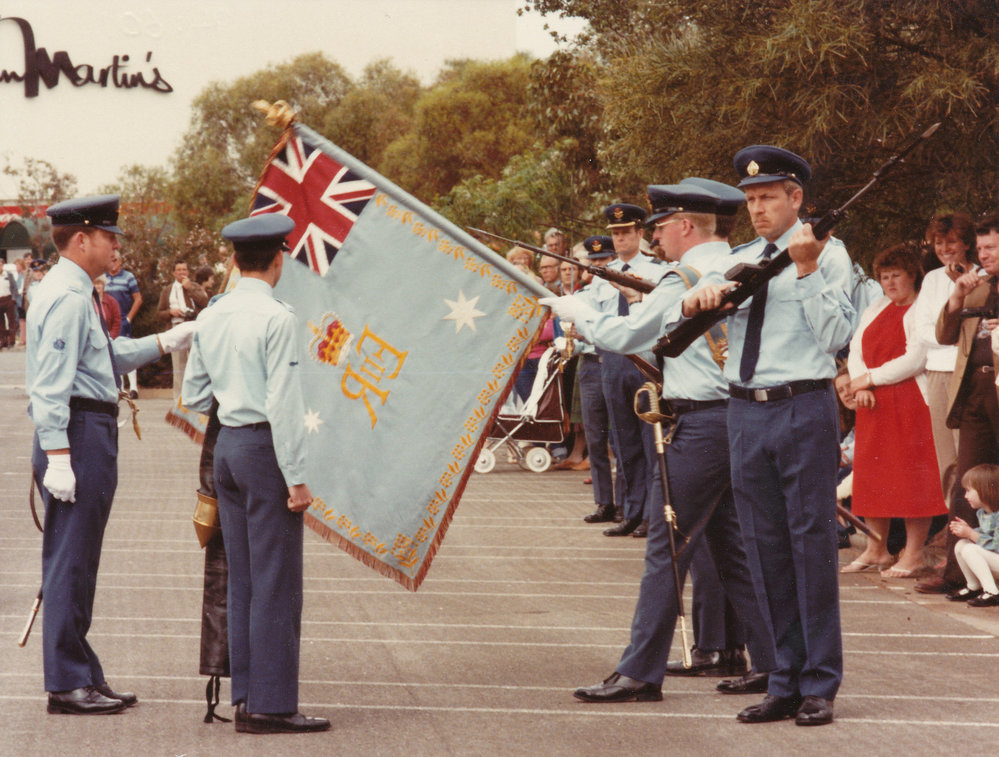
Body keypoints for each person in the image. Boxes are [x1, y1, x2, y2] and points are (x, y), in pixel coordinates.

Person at [542, 182, 775, 706]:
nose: (655, 237)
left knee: (665, 549)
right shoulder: (731, 266)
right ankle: (772, 661)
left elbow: (628, 336)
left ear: (686, 226)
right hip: (728, 419)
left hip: (701, 424)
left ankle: (639, 671)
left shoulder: (683, 277)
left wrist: (571, 308)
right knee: (729, 547)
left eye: (660, 227)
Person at [682, 146, 854, 726]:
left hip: (802, 406)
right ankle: (782, 677)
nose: (757, 209)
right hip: (744, 411)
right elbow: (689, 301)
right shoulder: (740, 258)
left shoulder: (827, 254)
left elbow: (835, 336)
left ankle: (818, 682)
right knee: (763, 546)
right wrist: (695, 295)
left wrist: (804, 270)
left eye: (768, 198)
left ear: (796, 198)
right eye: (750, 200)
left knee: (810, 545)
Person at [27, 194, 196, 715]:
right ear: (82, 239)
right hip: (76, 433)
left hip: (86, 428)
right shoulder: (71, 297)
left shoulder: (76, 290)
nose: (115, 246)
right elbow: (50, 388)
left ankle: (80, 673)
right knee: (70, 562)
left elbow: (105, 358)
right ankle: (66, 682)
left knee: (79, 561)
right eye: (108, 237)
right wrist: (58, 455)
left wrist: (168, 341)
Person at [181, 214, 329, 734]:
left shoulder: (215, 312)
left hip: (227, 448)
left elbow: (194, 394)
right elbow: (283, 403)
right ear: (278, 258)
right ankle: (269, 704)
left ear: (235, 260)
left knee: (242, 578)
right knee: (276, 582)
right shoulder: (278, 317)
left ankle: (246, 694)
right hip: (265, 450)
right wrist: (297, 476)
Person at [842, 244, 946, 576]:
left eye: (896, 275)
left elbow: (915, 359)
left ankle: (914, 553)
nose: (889, 283)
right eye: (884, 277)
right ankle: (876, 549)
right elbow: (856, 348)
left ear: (912, 275)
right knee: (874, 477)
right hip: (873, 402)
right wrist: (863, 384)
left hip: (911, 400)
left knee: (913, 477)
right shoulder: (874, 307)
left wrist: (868, 379)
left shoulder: (921, 308)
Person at [917, 213, 999, 595]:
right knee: (966, 481)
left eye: (991, 248)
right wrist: (956, 297)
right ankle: (957, 572)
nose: (984, 255)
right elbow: (944, 335)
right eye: (981, 248)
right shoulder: (977, 286)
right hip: (975, 391)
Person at [576, 203, 666, 537]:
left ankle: (652, 516)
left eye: (626, 232)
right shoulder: (601, 276)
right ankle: (631, 510)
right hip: (612, 360)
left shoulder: (657, 270)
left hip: (644, 361)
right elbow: (591, 319)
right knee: (624, 441)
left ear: (639, 233)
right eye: (615, 233)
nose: (620, 238)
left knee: (649, 441)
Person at [910, 213, 976, 488]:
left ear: (967, 243)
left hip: (971, 372)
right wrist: (950, 337)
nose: (944, 249)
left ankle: (981, 524)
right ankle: (955, 521)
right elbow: (923, 329)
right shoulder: (933, 279)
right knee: (947, 455)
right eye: (938, 243)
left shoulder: (983, 274)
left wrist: (964, 339)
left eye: (951, 242)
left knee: (971, 451)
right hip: (939, 371)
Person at [560, 236, 617, 518]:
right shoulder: (581, 297)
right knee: (595, 436)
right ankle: (605, 501)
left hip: (618, 362)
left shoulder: (622, 292)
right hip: (592, 364)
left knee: (622, 438)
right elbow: (574, 337)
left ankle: (633, 506)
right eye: (593, 262)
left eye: (604, 260)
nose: (598, 266)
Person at [946, 464, 999, 606]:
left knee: (970, 548)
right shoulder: (983, 513)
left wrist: (970, 533)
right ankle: (973, 586)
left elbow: (996, 545)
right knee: (961, 544)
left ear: (985, 490)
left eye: (969, 491)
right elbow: (986, 537)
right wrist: (969, 531)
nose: (965, 496)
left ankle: (992, 592)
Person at [158, 259, 208, 399]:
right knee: (179, 368)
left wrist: (189, 288)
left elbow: (205, 303)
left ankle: (196, 399)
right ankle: (178, 400)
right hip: (176, 328)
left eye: (184, 270)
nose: (182, 272)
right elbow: (159, 313)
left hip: (193, 327)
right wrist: (170, 312)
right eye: (179, 270)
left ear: (188, 272)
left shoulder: (194, 286)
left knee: (196, 365)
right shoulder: (167, 290)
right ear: (174, 273)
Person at [104, 251, 143, 398]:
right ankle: (119, 388)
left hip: (122, 319)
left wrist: (129, 318)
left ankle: (133, 388)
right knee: (112, 352)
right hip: (107, 321)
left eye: (115, 260)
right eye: (110, 260)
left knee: (128, 351)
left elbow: (138, 299)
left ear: (120, 261)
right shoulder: (103, 278)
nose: (112, 263)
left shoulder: (128, 277)